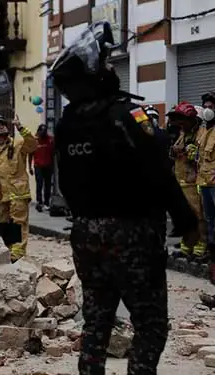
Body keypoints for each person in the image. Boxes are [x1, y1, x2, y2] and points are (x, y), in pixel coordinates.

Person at [51, 20, 197, 375]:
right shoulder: (124, 116)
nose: (109, 69)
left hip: (86, 234)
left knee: (96, 324)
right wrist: (186, 219)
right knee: (150, 324)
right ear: (92, 74)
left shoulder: (67, 123)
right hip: (131, 234)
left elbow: (66, 186)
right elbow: (158, 172)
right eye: (104, 63)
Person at [0, 115, 37, 261]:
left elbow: (33, 144)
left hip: (18, 193)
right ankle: (12, 248)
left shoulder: (18, 146)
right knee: (2, 224)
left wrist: (20, 127)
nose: (1, 133)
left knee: (18, 223)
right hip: (2, 195)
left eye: (3, 128)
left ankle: (17, 254)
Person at [167, 102, 207, 260]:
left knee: (199, 216)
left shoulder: (202, 134)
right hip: (182, 181)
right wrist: (174, 151)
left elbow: (203, 157)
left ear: (193, 120)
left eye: (183, 120)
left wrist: (189, 153)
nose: (180, 124)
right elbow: (174, 153)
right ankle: (186, 246)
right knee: (186, 216)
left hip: (196, 181)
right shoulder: (183, 134)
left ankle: (201, 245)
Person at [197, 104, 215, 283]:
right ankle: (211, 255)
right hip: (204, 181)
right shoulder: (204, 131)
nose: (207, 109)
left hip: (214, 182)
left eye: (211, 106)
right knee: (209, 219)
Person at [28, 124, 54, 212]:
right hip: (38, 166)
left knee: (47, 185)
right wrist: (30, 167)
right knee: (39, 184)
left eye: (44, 131)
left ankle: (46, 203)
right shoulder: (35, 140)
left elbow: (53, 153)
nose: (43, 133)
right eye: (41, 131)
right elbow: (30, 154)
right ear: (39, 131)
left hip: (48, 166)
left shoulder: (50, 140)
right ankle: (39, 202)